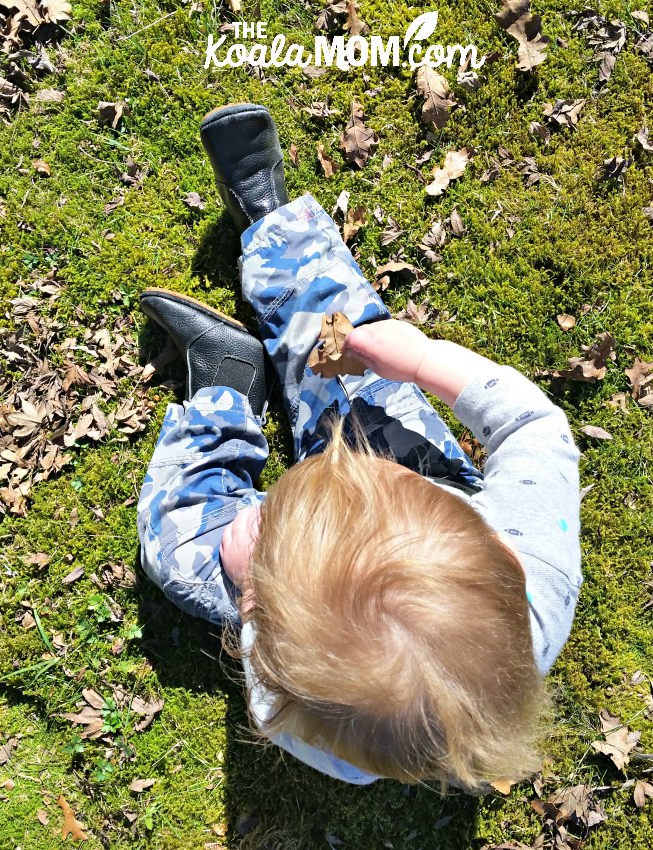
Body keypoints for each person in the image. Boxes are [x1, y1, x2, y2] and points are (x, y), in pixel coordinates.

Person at [137, 104, 582, 793]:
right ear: (498, 548)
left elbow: (265, 682)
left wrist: (254, 589)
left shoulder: (312, 721)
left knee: (174, 543)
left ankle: (227, 387)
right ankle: (271, 224)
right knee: (351, 347)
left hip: (274, 581)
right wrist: (420, 359)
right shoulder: (537, 562)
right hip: (413, 468)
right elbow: (534, 428)